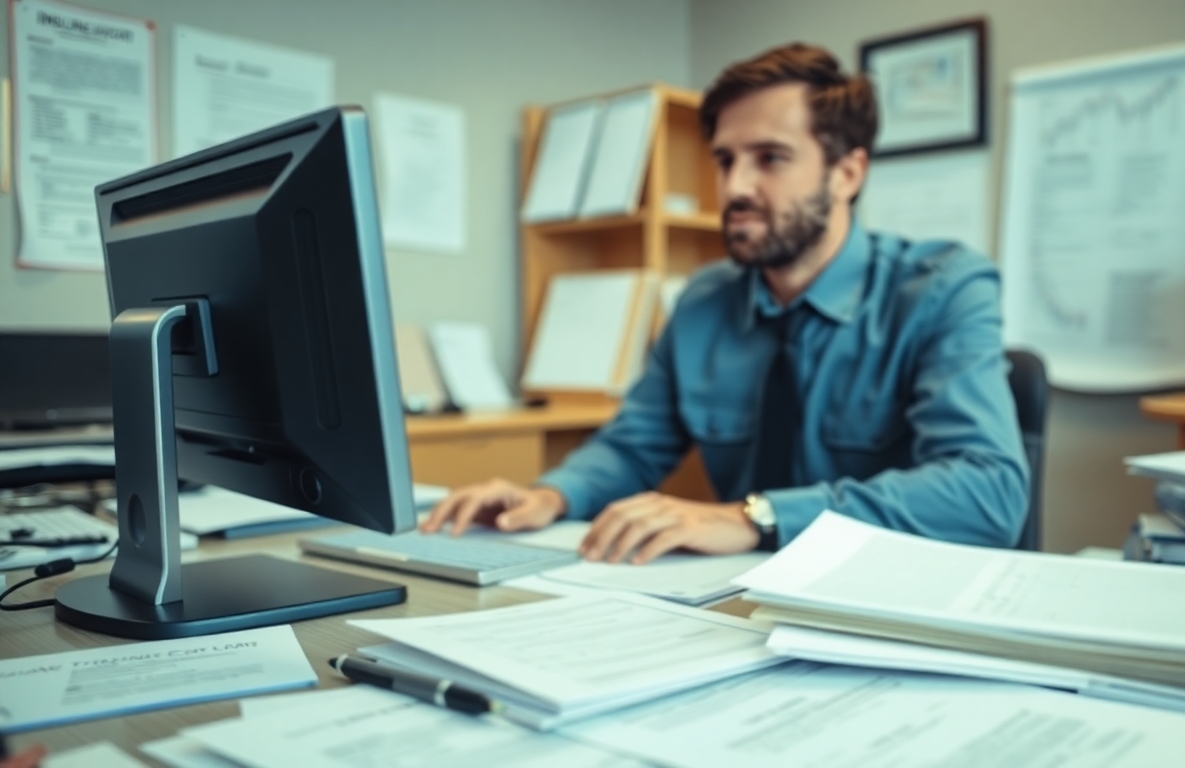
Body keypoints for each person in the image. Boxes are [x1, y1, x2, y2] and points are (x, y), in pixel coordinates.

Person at [423, 42, 1027, 563]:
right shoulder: (704, 302)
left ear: (847, 173)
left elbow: (988, 491)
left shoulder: (944, 287)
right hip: (734, 602)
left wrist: (755, 518)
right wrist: (552, 495)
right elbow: (634, 444)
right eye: (724, 160)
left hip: (885, 605)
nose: (735, 187)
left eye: (770, 158)